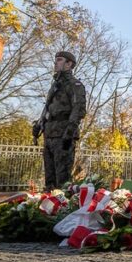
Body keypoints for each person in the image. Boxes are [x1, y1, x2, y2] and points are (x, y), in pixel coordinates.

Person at [38, 51, 87, 190]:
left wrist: (68, 133)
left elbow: (78, 110)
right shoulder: (54, 86)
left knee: (62, 180)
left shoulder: (75, 85)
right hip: (49, 134)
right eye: (56, 60)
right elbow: (47, 109)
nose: (55, 63)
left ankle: (61, 209)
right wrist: (39, 124)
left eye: (59, 60)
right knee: (49, 179)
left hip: (63, 136)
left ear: (69, 64)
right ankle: (47, 207)